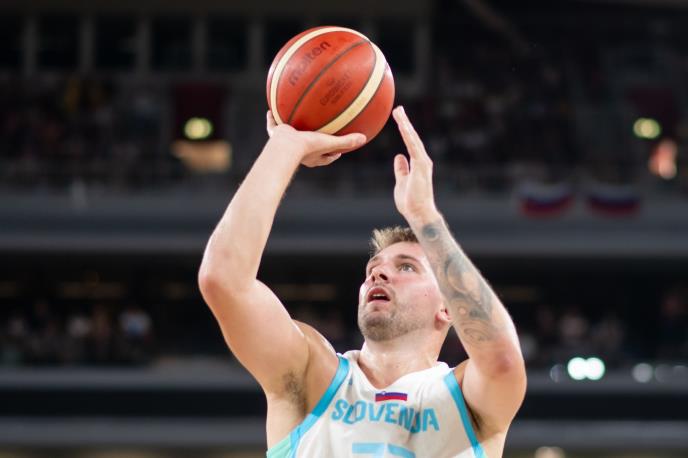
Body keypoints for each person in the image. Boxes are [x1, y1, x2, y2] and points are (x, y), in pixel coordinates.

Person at [198, 106, 526, 457]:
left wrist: (424, 218)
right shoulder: (312, 374)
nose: (378, 274)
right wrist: (285, 146)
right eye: (374, 267)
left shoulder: (464, 398)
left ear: (448, 307)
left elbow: (503, 359)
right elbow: (224, 278)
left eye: (407, 267)